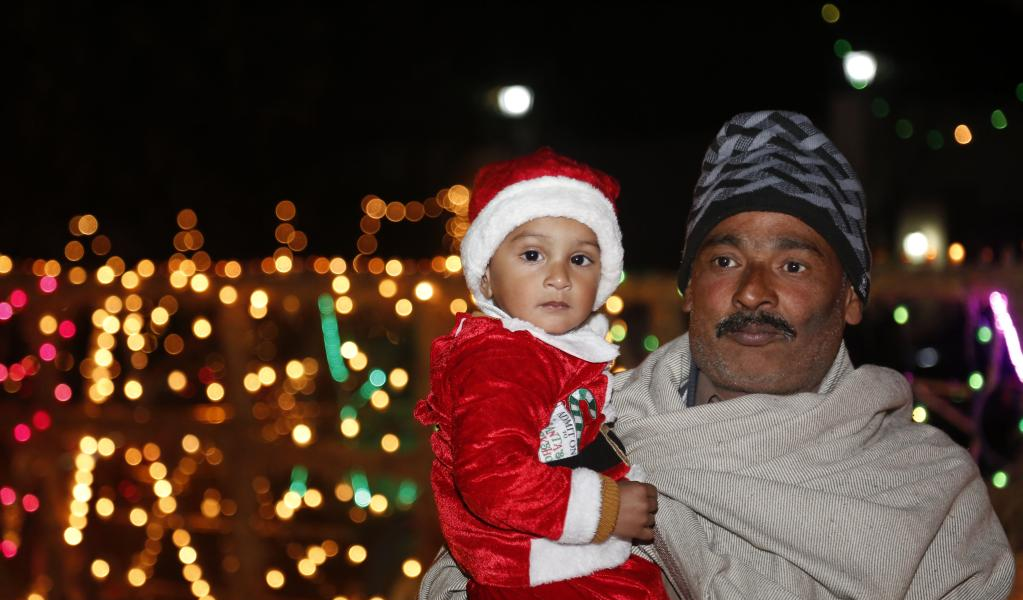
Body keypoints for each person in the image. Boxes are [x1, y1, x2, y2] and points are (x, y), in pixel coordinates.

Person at [418, 111, 1016, 600]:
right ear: (688, 289)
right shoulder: (582, 425)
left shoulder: (925, 490)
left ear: (850, 297)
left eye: (792, 265)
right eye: (725, 261)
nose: (752, 292)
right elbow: (461, 573)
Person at [414, 148, 669, 598]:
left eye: (580, 259)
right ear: (486, 276)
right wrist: (608, 507)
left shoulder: (556, 350)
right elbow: (494, 478)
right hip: (532, 570)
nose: (559, 277)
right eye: (533, 254)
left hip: (573, 560)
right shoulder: (499, 358)